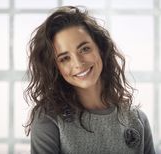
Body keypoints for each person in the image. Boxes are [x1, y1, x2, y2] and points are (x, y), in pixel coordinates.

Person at [24, 6, 155, 154]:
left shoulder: (137, 119)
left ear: (100, 48)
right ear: (56, 68)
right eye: (65, 58)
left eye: (85, 49)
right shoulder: (48, 119)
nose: (78, 63)